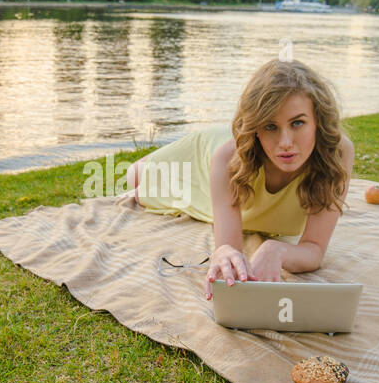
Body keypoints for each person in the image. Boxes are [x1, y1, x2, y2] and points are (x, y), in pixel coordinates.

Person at [126, 59, 354, 299]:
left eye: (297, 123)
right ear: (256, 128)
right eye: (270, 126)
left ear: (318, 121)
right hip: (208, 156)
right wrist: (223, 254)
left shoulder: (337, 154)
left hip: (230, 156)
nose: (286, 142)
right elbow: (229, 250)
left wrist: (276, 250)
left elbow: (314, 250)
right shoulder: (228, 159)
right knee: (135, 177)